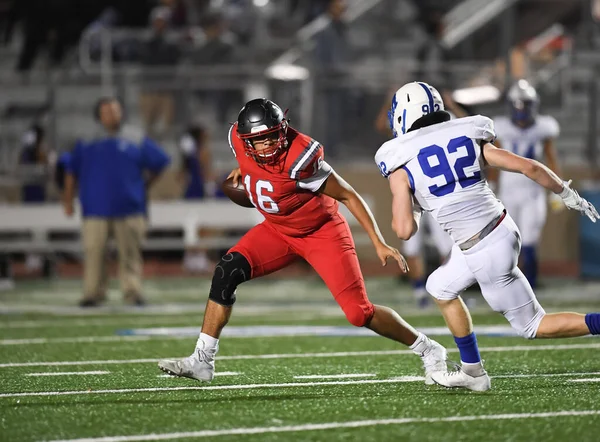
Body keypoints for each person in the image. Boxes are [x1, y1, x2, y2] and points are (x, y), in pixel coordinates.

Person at [158, 98, 447, 383]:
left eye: (273, 137)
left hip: (322, 233)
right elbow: (250, 165)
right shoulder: (237, 138)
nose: (269, 145)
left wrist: (378, 242)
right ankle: (202, 361)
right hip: (278, 229)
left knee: (359, 314)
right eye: (260, 141)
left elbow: (348, 194)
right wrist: (244, 172)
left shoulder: (301, 159)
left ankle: (428, 348)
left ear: (282, 130)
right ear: (246, 142)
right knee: (226, 271)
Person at [375, 81, 600, 392]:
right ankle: (472, 370)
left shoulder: (398, 158)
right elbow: (530, 167)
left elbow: (404, 230)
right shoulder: (468, 131)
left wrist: (414, 203)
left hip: (482, 248)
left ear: (402, 116)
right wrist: (567, 193)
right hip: (502, 228)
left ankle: (476, 374)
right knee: (439, 286)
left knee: (533, 325)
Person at [64, 97, 170, 307]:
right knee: (94, 253)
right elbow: (71, 170)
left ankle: (132, 292)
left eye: (115, 111)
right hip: (95, 208)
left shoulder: (135, 138)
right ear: (99, 116)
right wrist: (68, 198)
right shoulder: (86, 141)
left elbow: (160, 161)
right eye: (107, 112)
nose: (112, 115)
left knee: (130, 255)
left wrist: (144, 185)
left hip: (130, 207)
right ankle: (93, 293)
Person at [487, 80, 562, 288]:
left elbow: (551, 158)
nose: (521, 109)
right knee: (507, 239)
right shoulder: (499, 127)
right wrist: (492, 185)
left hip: (533, 192)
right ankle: (508, 283)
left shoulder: (544, 127)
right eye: (518, 104)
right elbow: (494, 160)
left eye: (525, 104)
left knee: (529, 239)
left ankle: (531, 282)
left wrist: (558, 189)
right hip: (508, 191)